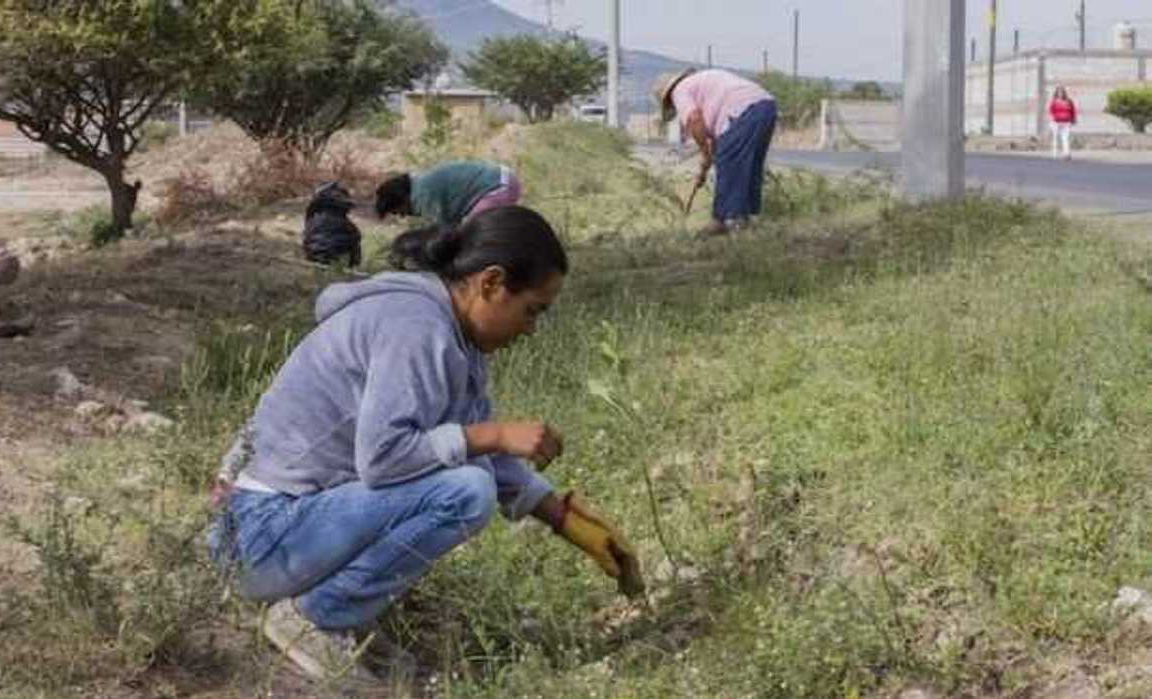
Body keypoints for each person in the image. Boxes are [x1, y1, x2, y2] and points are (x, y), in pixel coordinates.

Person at [209, 205, 643, 692]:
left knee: (467, 476)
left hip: (283, 529)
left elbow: (471, 448)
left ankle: (340, 614)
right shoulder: (417, 327)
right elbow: (385, 459)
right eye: (532, 310)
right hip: (258, 536)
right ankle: (317, 618)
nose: (531, 329)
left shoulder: (452, 332)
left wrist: (570, 523)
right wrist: (494, 434)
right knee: (465, 492)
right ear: (491, 283)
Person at [654, 68, 779, 236]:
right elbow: (715, 138)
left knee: (729, 163)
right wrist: (705, 166)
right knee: (749, 164)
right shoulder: (700, 83)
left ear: (668, 98)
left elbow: (694, 118)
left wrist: (705, 152)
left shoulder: (680, 91)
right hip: (766, 106)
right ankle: (743, 218)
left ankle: (726, 220)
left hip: (743, 111)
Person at [374, 160, 521, 227]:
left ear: (401, 199)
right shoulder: (421, 184)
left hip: (497, 187)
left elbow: (443, 233)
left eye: (397, 211)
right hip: (502, 178)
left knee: (473, 233)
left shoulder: (422, 197)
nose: (401, 215)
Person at [1049, 86, 1077, 160]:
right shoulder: (1054, 102)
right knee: (1055, 138)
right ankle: (1054, 153)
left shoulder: (1069, 101)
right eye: (1059, 92)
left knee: (1065, 138)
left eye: (1061, 92)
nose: (1060, 94)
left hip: (1067, 122)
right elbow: (1051, 111)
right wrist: (1052, 120)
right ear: (1056, 93)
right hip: (1056, 122)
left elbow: (1073, 111)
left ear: (1064, 93)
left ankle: (1066, 153)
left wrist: (1074, 119)